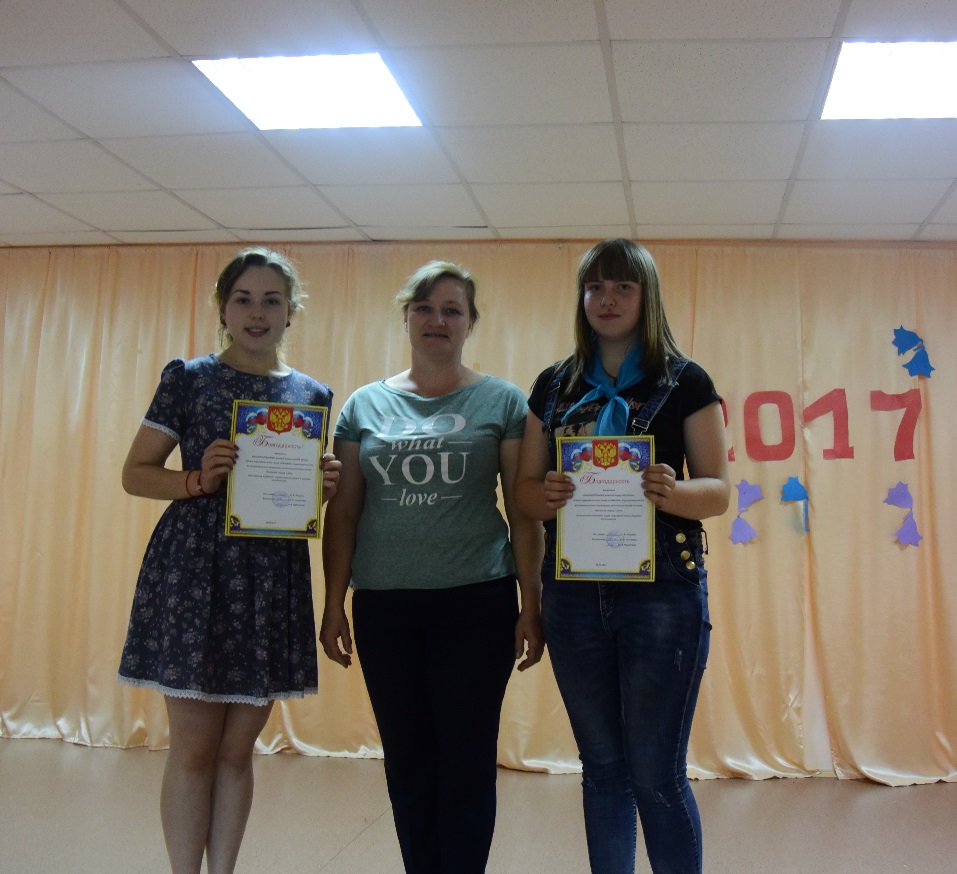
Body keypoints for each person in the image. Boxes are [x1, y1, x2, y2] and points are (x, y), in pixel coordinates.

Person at [117, 247, 340, 874]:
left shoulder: (312, 394)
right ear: (223, 308)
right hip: (195, 572)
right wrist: (197, 479)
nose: (257, 312)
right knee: (193, 750)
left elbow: (295, 493)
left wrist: (322, 485)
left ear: (291, 312)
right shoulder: (188, 378)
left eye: (271, 300)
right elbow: (135, 473)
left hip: (270, 580)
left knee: (238, 753)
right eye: (243, 299)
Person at [319, 260, 543, 874]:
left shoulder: (503, 401)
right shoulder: (363, 405)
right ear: (407, 318)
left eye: (452, 310)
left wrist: (532, 604)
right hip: (384, 607)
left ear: (471, 323)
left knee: (466, 762)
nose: (436, 320)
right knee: (409, 762)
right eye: (424, 307)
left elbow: (523, 511)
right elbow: (344, 512)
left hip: (477, 603)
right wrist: (333, 602)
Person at [515, 238, 730, 874]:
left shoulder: (686, 380)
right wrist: (547, 494)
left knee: (656, 774)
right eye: (595, 288)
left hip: (663, 593)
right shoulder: (553, 385)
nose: (606, 300)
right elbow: (522, 492)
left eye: (622, 287)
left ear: (646, 297)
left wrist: (673, 491)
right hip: (574, 595)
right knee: (603, 770)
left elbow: (719, 492)